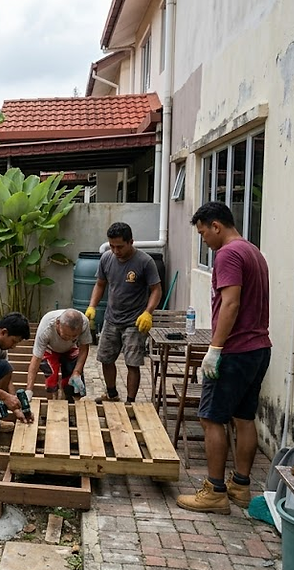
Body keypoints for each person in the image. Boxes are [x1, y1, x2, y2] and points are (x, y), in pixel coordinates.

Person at [176, 201, 271, 514]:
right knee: (244, 418)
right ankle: (240, 486)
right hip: (258, 347)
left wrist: (215, 350)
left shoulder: (228, 253)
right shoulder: (253, 251)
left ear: (216, 225)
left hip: (235, 350)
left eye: (204, 233)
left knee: (211, 417)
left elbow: (230, 304)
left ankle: (214, 491)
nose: (204, 239)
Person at [85, 222, 162, 402]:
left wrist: (148, 312)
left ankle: (130, 401)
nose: (115, 250)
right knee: (105, 358)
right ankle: (111, 394)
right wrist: (92, 306)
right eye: (111, 246)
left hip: (135, 322)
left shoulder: (145, 262)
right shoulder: (106, 259)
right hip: (112, 319)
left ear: (131, 242)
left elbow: (156, 290)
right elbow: (100, 284)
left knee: (132, 363)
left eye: (119, 246)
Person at [26, 308, 93, 401]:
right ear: (57, 324)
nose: (69, 338)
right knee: (51, 380)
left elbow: (84, 348)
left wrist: (77, 372)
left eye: (74, 336)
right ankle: (51, 403)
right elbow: (36, 359)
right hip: (50, 349)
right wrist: (29, 390)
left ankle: (71, 402)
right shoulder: (46, 328)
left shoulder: (84, 323)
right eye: (66, 335)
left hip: (71, 349)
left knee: (72, 384)